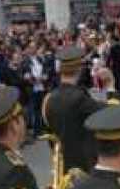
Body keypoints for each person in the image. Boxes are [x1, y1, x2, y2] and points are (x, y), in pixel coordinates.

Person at [43, 46, 104, 174]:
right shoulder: (79, 97)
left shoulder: (48, 98)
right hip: (84, 165)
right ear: (79, 69)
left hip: (62, 164)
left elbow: (50, 137)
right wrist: (110, 87)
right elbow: (107, 114)